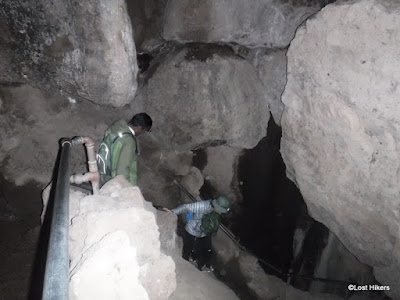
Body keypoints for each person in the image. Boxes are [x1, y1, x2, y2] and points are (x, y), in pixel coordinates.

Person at [163, 195, 231, 272]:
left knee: (207, 248)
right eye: (221, 210)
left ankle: (203, 263)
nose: (221, 212)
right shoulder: (203, 206)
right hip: (192, 230)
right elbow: (186, 207)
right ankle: (186, 262)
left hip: (204, 231)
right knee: (189, 246)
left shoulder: (215, 210)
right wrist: (173, 211)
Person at [97, 113, 152, 186]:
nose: (143, 133)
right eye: (145, 130)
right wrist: (127, 189)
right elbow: (122, 172)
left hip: (105, 175)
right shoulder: (129, 141)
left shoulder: (117, 127)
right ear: (139, 127)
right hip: (115, 184)